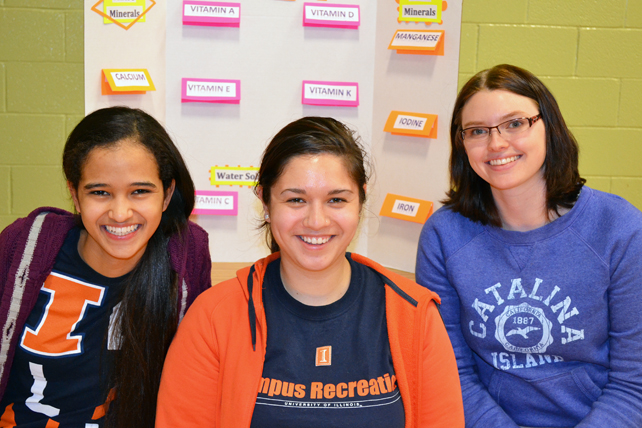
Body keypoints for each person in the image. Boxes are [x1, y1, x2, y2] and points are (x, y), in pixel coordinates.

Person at [156, 116, 464, 428]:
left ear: (360, 200)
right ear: (264, 201)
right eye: (296, 200)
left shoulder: (414, 315)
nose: (316, 221)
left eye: (336, 200)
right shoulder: (213, 318)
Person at [416, 63, 642, 427]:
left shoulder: (620, 229)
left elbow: (634, 384)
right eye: (477, 131)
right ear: (461, 144)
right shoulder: (444, 236)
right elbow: (452, 374)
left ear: (548, 126)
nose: (497, 143)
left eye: (515, 123)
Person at [0, 106, 212, 428]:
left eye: (139, 192)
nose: (120, 213)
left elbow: (193, 384)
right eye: (100, 192)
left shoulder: (184, 261)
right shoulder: (24, 249)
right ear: (74, 193)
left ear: (167, 195)